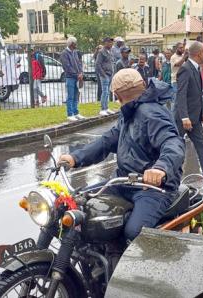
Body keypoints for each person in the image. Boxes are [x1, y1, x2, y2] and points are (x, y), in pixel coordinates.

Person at [58, 69, 185, 241]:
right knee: (77, 203)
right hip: (124, 181)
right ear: (143, 86)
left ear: (117, 95)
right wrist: (75, 158)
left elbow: (173, 143)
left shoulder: (152, 113)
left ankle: (134, 267)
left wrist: (160, 168)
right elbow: (107, 141)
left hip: (154, 189)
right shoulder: (130, 112)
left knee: (133, 233)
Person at [174, 41, 203, 186]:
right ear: (199, 54)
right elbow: (181, 95)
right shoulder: (185, 69)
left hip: (195, 118)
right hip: (182, 119)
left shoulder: (197, 68)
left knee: (201, 147)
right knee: (175, 149)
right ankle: (172, 178)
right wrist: (184, 117)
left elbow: (198, 93)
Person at [60, 37, 85, 122]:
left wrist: (81, 72)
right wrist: (77, 74)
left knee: (76, 96)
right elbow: (67, 67)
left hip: (77, 77)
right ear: (71, 44)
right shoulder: (64, 53)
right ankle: (70, 114)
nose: (76, 45)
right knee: (70, 96)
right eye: (75, 43)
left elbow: (79, 63)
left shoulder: (75, 52)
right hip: (70, 78)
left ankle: (76, 112)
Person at [95, 37, 116, 116]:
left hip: (110, 74)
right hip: (105, 75)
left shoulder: (109, 51)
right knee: (105, 92)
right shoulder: (101, 52)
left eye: (112, 42)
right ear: (105, 43)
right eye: (109, 42)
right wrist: (103, 74)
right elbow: (97, 64)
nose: (111, 44)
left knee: (107, 92)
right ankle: (103, 109)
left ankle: (106, 108)